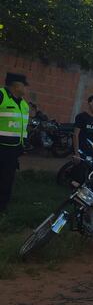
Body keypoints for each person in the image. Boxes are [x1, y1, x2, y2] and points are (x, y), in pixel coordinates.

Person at [0, 73, 30, 213]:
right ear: (16, 85)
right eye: (24, 85)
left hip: (13, 150)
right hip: (1, 147)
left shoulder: (23, 104)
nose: (26, 89)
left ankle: (2, 207)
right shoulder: (1, 96)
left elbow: (23, 127)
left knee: (7, 179)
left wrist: (23, 145)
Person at [73, 94, 93, 163]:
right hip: (80, 149)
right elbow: (75, 135)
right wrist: (76, 153)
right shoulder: (81, 116)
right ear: (89, 104)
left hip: (90, 150)